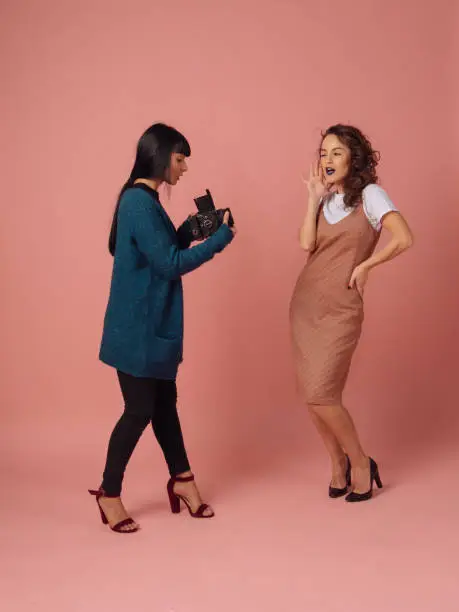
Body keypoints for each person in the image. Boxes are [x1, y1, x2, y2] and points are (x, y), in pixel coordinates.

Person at [89, 123, 236, 532]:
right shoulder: (138, 202)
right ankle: (109, 493)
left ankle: (183, 480)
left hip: (151, 329)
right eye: (180, 158)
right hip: (137, 332)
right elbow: (169, 265)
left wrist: (188, 231)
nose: (185, 167)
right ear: (159, 156)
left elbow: (158, 252)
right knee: (138, 411)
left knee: (164, 408)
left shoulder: (145, 201)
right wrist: (219, 239)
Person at [289, 124, 413, 502]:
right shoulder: (326, 200)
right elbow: (306, 244)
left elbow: (404, 237)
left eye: (336, 153)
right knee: (313, 397)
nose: (327, 160)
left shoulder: (371, 196)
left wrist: (366, 266)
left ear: (354, 158)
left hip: (341, 309)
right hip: (305, 305)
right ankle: (337, 465)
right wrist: (312, 199)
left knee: (322, 391)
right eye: (323, 153)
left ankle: (360, 462)